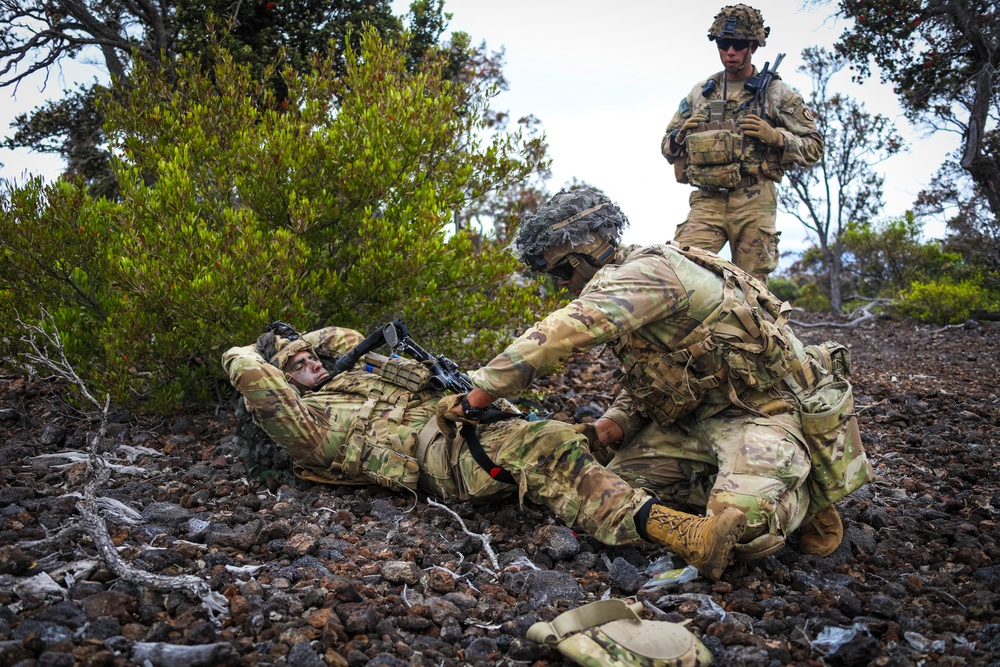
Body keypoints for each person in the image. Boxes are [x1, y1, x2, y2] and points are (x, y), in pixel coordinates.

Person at [450, 188, 873, 579]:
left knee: (744, 530)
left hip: (762, 411)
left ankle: (810, 493)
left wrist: (479, 393)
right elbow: (653, 379)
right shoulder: (624, 283)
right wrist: (612, 424)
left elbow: (559, 334)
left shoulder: (647, 273)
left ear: (586, 253)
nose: (560, 283)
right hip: (693, 420)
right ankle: (727, 480)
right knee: (604, 495)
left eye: (561, 270)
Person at [223, 323, 748, 580]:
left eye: (313, 357)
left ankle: (725, 509)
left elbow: (347, 337)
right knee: (548, 449)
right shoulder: (311, 426)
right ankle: (686, 535)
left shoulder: (359, 375)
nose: (313, 362)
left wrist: (298, 342)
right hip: (448, 461)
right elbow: (250, 373)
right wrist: (253, 350)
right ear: (282, 383)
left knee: (590, 440)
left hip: (477, 429)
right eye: (298, 365)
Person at [661, 4, 823, 284]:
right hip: (707, 199)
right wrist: (678, 137)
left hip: (754, 198)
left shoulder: (777, 94)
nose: (730, 52)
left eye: (737, 45)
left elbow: (814, 146)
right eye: (724, 44)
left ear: (753, 46)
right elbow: (666, 147)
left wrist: (777, 137)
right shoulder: (702, 92)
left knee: (752, 287)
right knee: (679, 271)